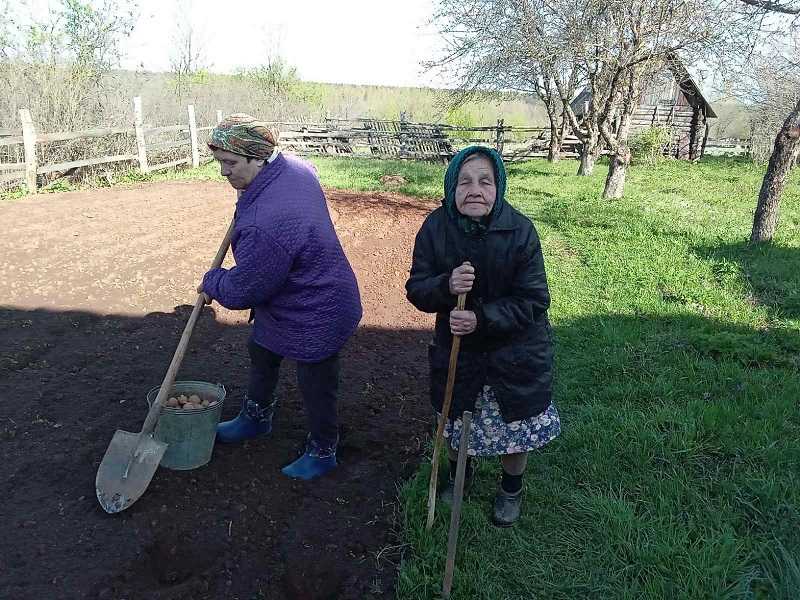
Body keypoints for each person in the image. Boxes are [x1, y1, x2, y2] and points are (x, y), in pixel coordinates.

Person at [199, 113, 362, 481]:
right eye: (220, 163)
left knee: (316, 380)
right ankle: (255, 418)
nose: (224, 173)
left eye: (231, 164)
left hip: (318, 306)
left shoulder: (267, 223)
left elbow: (245, 290)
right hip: (290, 294)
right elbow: (311, 167)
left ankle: (324, 449)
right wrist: (250, 193)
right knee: (262, 349)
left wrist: (213, 281)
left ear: (259, 158)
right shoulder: (294, 169)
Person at [405, 145, 560, 526]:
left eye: (485, 181)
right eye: (465, 181)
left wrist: (481, 317)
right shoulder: (435, 228)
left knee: (516, 427)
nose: (475, 190)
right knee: (459, 420)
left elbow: (534, 300)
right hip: (460, 351)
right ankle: (461, 476)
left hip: (515, 351)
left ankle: (511, 489)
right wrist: (445, 284)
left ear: (499, 187)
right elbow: (417, 288)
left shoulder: (520, 231)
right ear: (451, 187)